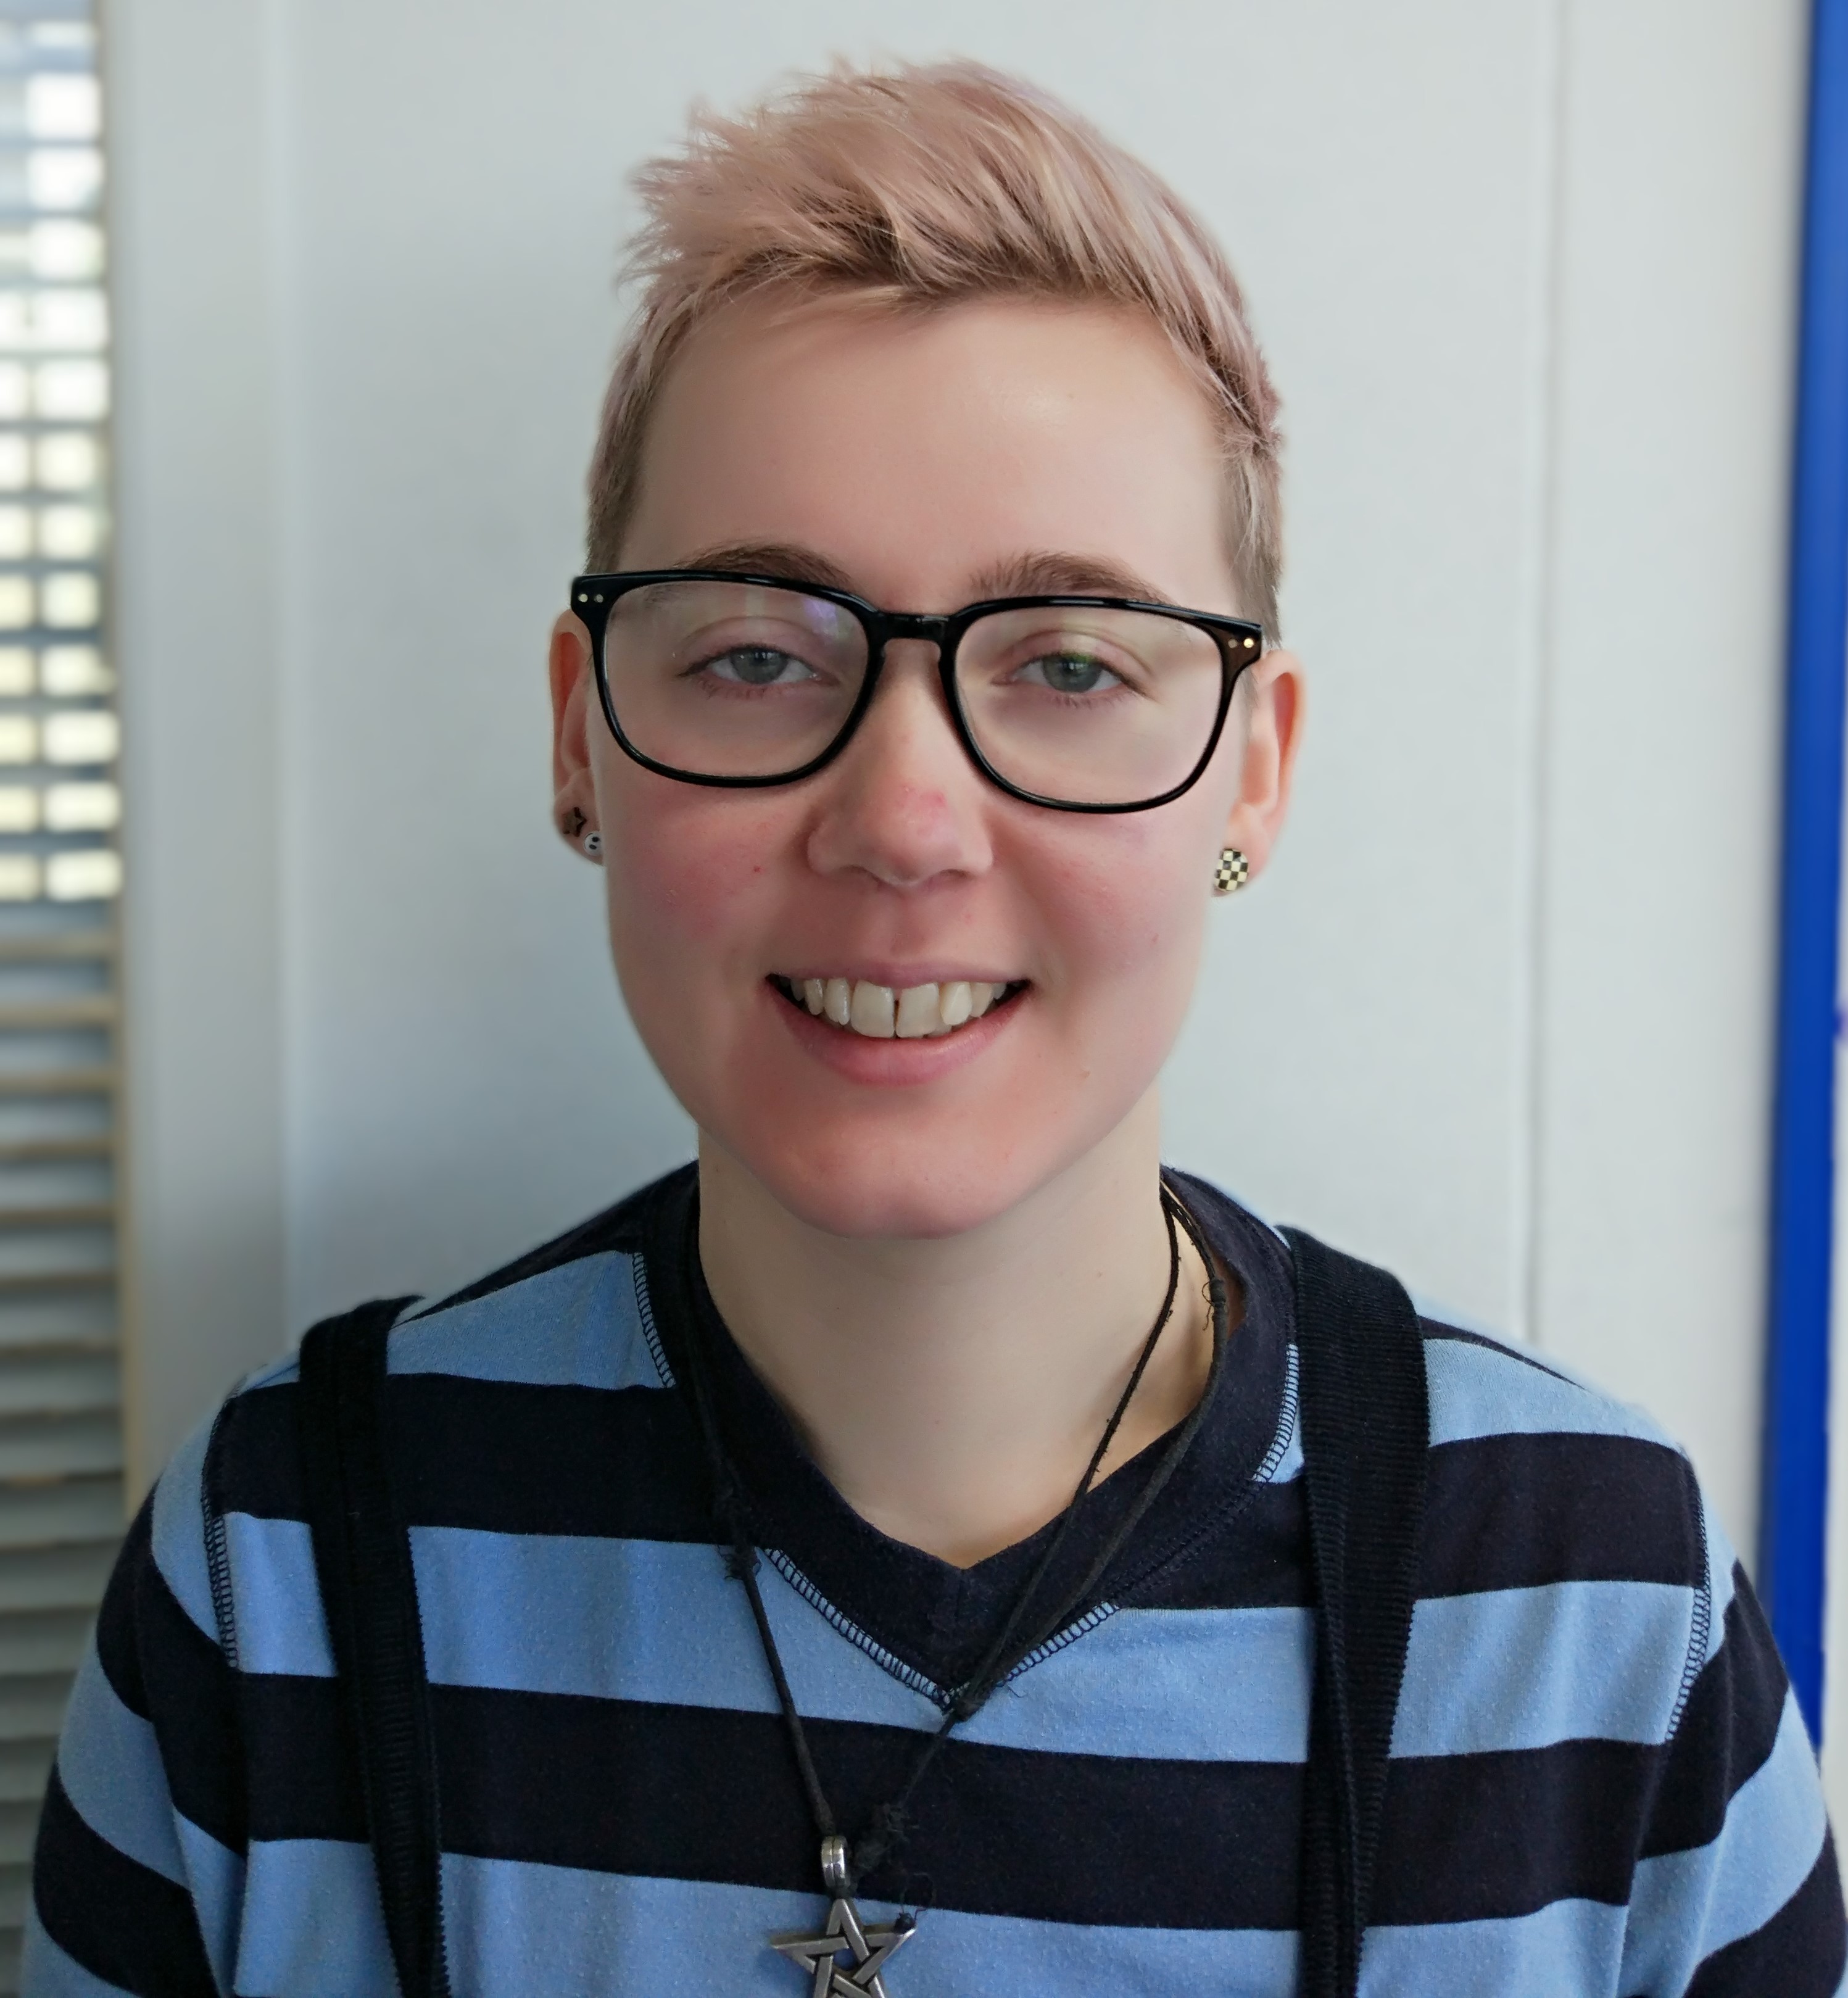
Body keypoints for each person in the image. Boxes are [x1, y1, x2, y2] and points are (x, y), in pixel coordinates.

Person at [23, 58, 1844, 1998]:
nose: (900, 819)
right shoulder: (276, 1576)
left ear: (1250, 775)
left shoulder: (1583, 1607)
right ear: (581, 735)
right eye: (751, 652)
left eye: (1066, 664)